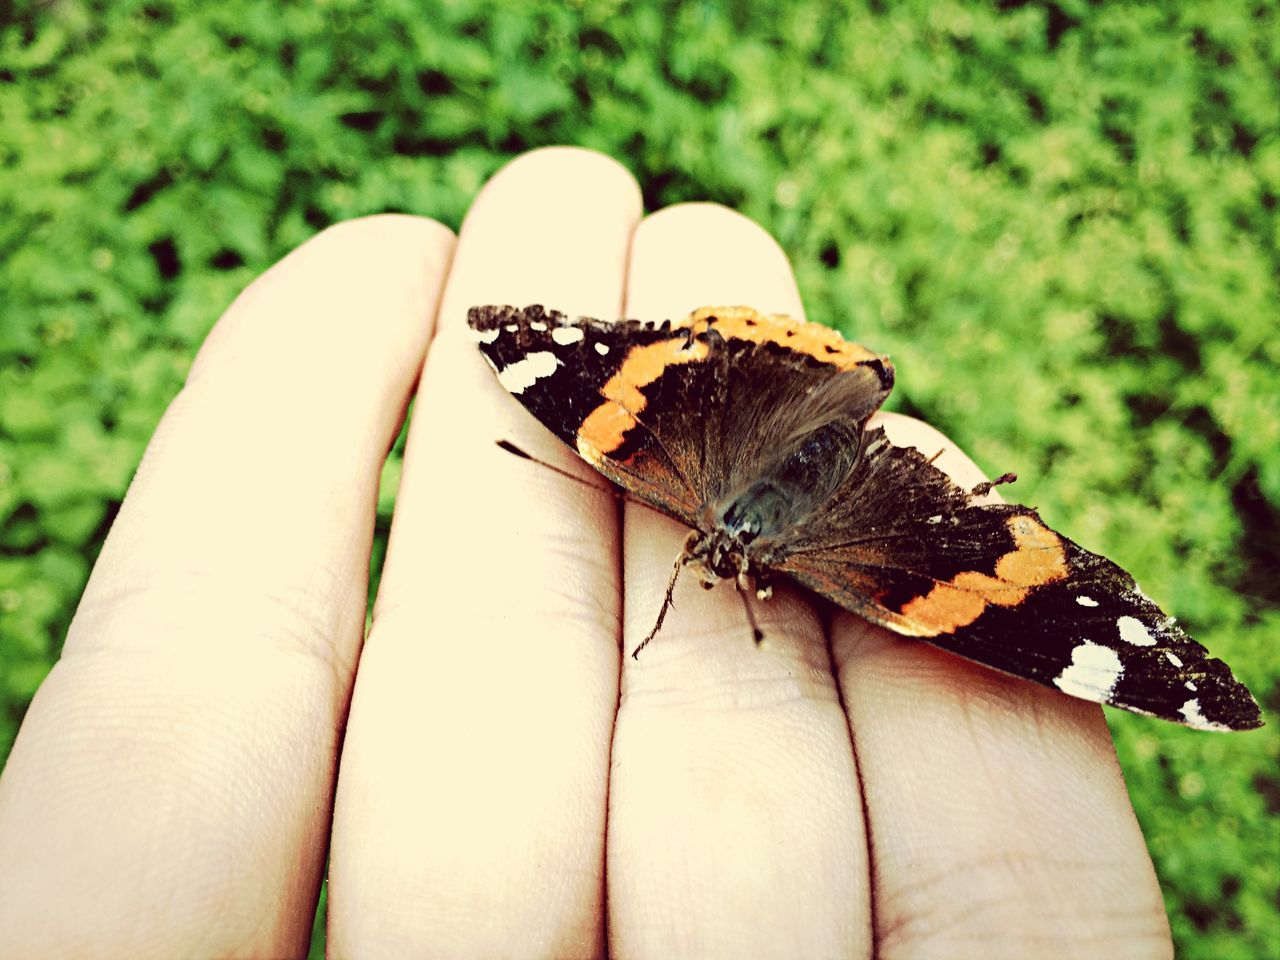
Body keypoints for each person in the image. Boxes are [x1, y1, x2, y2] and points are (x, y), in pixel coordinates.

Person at [0, 148, 1174, 958]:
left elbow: (991, 593)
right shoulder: (717, 517)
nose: (714, 566)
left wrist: (1090, 639)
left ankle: (1117, 647)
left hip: (772, 424)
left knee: (929, 609)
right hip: (793, 437)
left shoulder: (714, 511)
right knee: (876, 581)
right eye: (718, 563)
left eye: (721, 566)